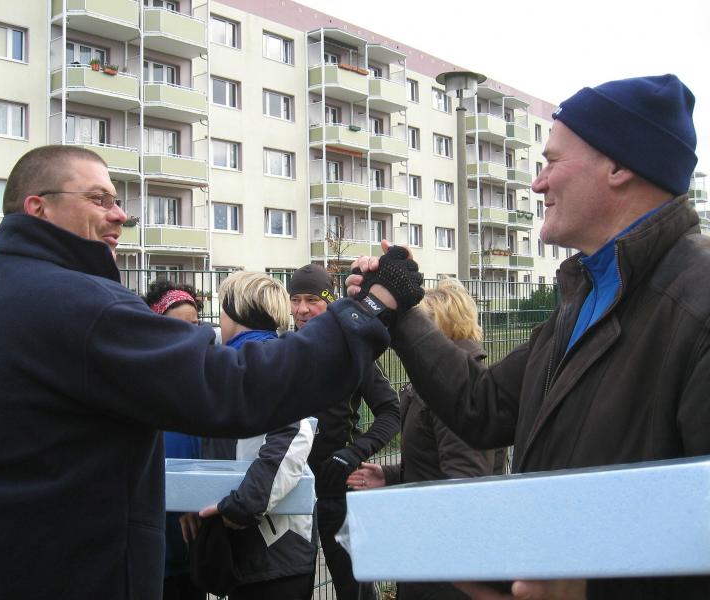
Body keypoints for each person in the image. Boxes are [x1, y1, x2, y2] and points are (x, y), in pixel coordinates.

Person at [0, 145, 424, 599]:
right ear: (37, 207)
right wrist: (371, 308)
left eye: (117, 201)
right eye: (98, 199)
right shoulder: (78, 308)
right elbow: (237, 385)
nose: (119, 215)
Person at [348, 74, 709, 600]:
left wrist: (587, 590)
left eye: (552, 161)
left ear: (619, 166)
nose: (538, 184)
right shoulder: (584, 299)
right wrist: (401, 312)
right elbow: (483, 405)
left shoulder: (696, 305)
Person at [348, 277, 501, 600]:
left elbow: (465, 482)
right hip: (433, 559)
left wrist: (399, 523)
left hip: (448, 573)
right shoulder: (440, 384)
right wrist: (392, 475)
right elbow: (437, 462)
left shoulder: (457, 392)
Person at [181, 271, 317, 600]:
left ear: (238, 313)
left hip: (275, 548)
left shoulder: (270, 362)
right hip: (250, 546)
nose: (219, 321)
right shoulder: (245, 360)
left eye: (222, 310)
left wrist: (239, 508)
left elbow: (293, 438)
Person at [288, 264, 400, 600]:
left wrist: (352, 453)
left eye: (312, 300)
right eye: (295, 299)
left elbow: (392, 411)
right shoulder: (282, 349)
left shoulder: (353, 352)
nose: (302, 309)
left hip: (339, 492)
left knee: (356, 590)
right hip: (288, 493)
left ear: (330, 302)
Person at [143, 280, 205, 600]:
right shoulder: (143, 381)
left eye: (194, 325)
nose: (188, 335)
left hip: (193, 534)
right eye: (178, 326)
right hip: (155, 534)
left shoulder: (201, 379)